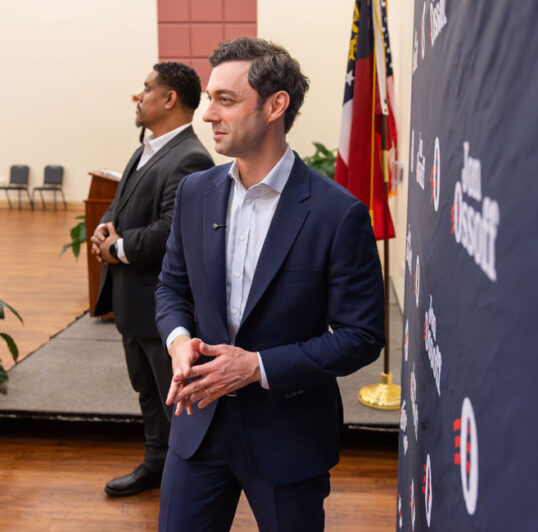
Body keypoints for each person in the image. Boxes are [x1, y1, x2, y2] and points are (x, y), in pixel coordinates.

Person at [154, 37, 386, 531]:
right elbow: (172, 288)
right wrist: (178, 344)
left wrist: (255, 367)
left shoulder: (337, 213)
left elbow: (361, 336)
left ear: (275, 105)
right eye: (210, 98)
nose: (208, 114)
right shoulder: (196, 193)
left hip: (290, 435)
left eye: (226, 100)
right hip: (199, 423)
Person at [91, 62, 214, 498]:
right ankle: (156, 465)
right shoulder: (147, 148)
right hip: (132, 302)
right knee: (148, 393)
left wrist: (118, 249)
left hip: (161, 308)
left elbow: (170, 230)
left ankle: (187, 477)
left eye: (146, 89)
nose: (137, 97)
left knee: (174, 397)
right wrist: (106, 228)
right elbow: (119, 205)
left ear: (169, 99)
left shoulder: (191, 157)